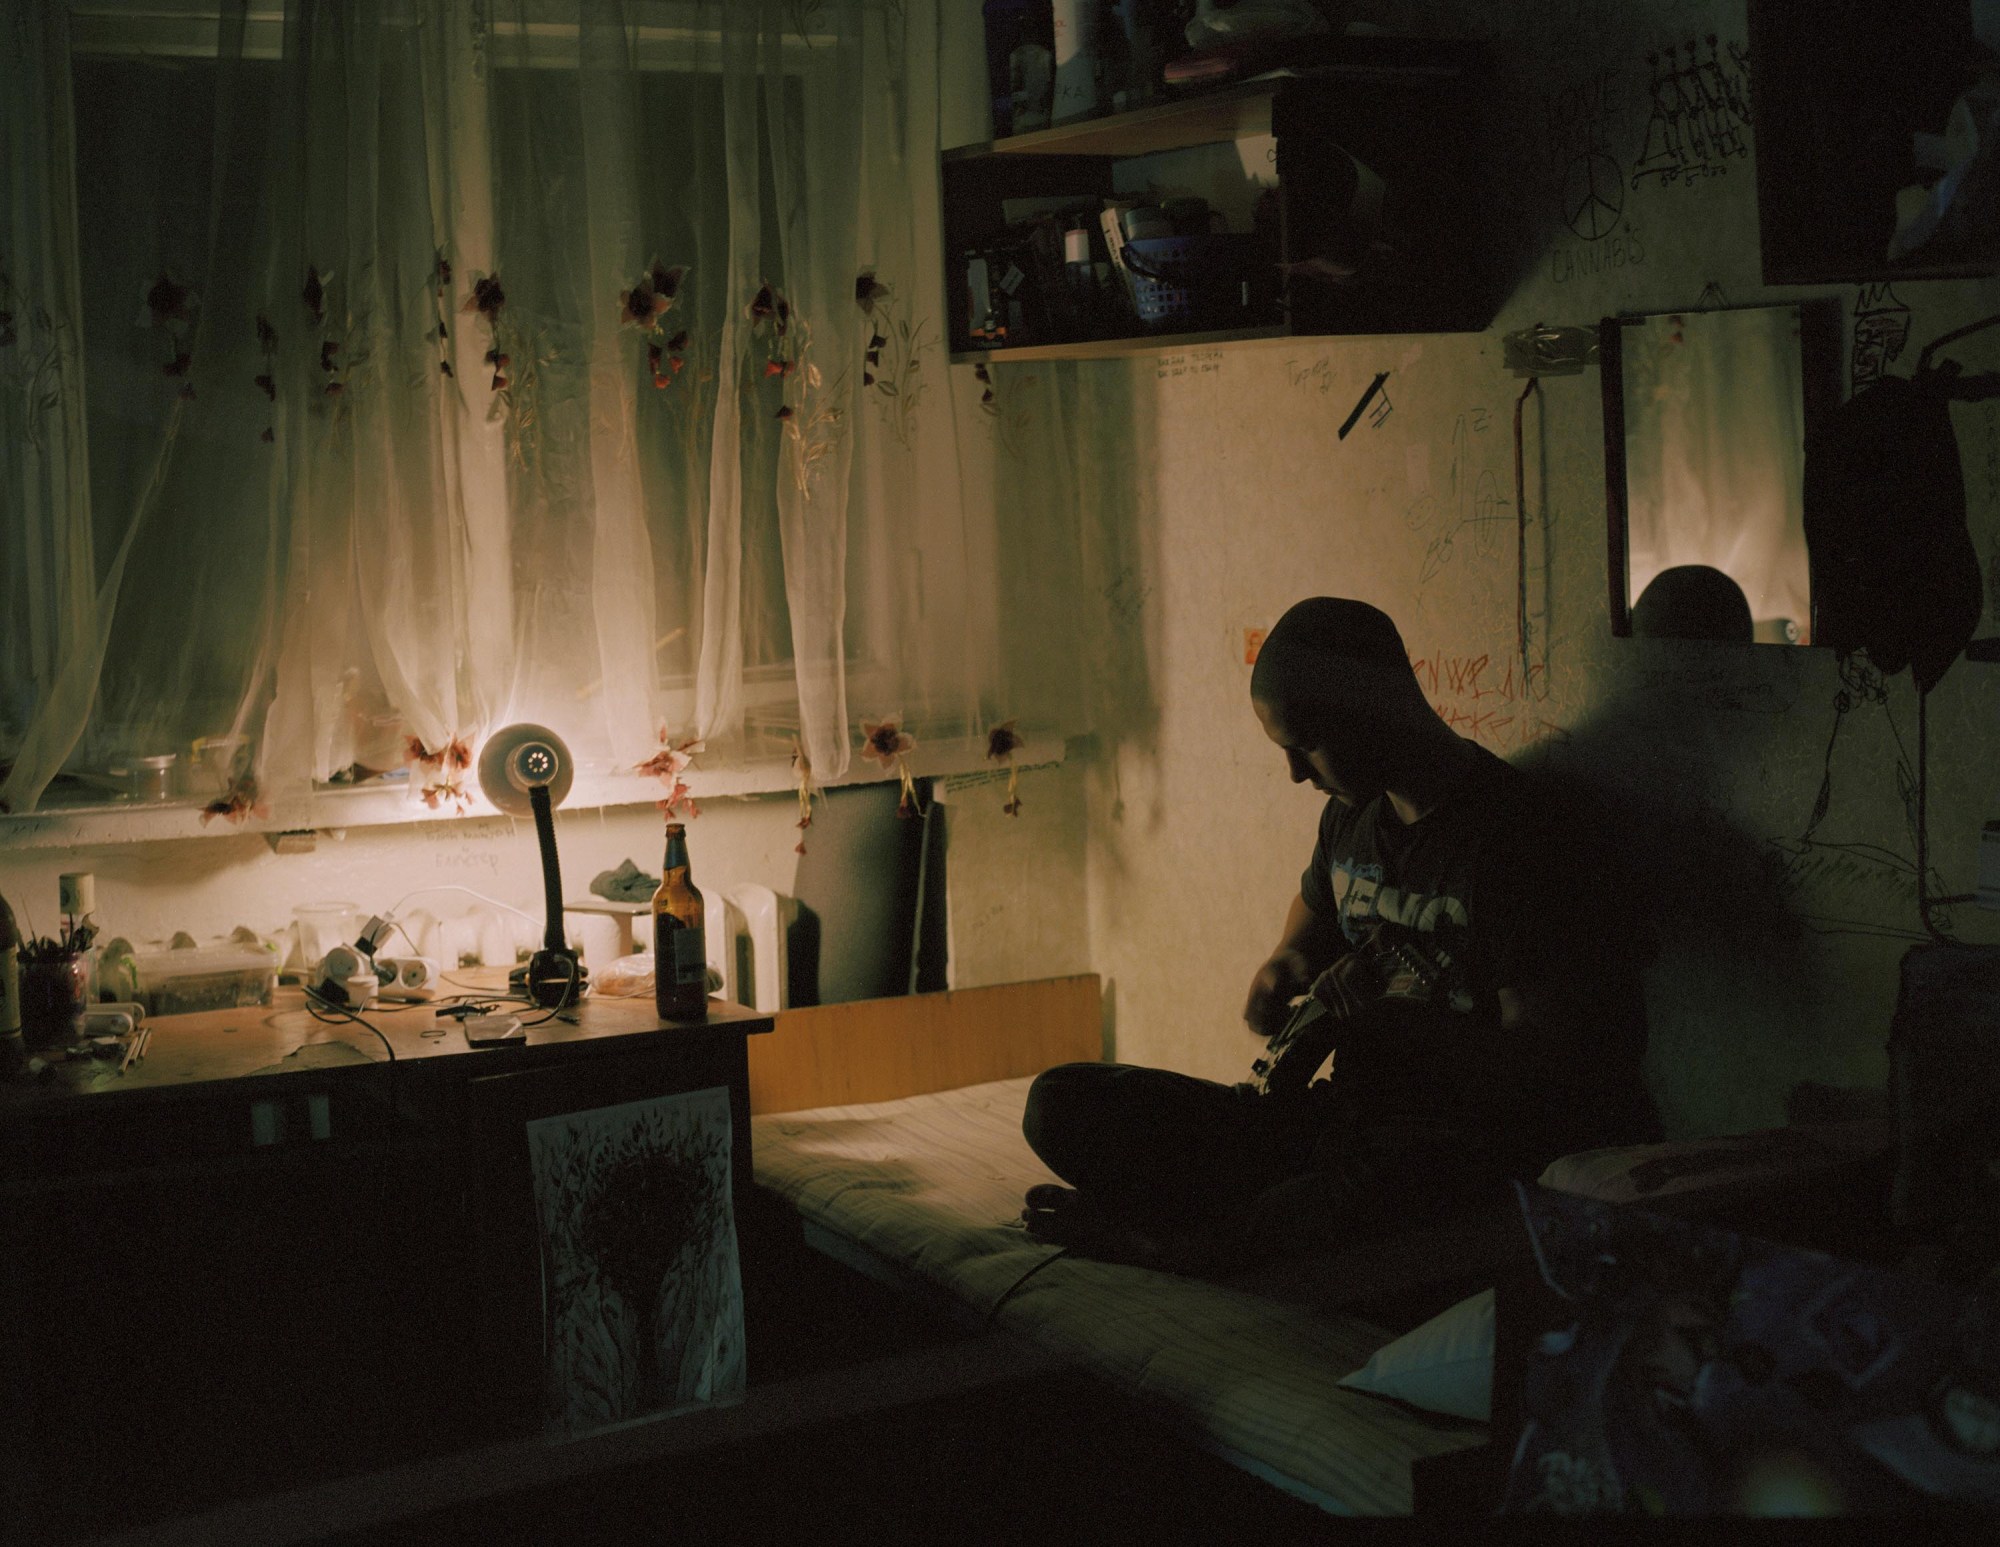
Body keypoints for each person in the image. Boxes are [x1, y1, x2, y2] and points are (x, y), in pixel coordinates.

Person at [1020, 597, 1660, 1272]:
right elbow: (1317, 909)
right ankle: (1242, 1215)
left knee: (1367, 1194)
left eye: (1307, 745)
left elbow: (1546, 1059)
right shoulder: (1351, 817)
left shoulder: (1517, 837)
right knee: (1061, 1103)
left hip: (1446, 1145)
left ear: (1375, 704)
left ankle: (1174, 1244)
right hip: (1340, 1122)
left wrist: (1391, 1027)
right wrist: (1282, 965)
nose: (1297, 774)